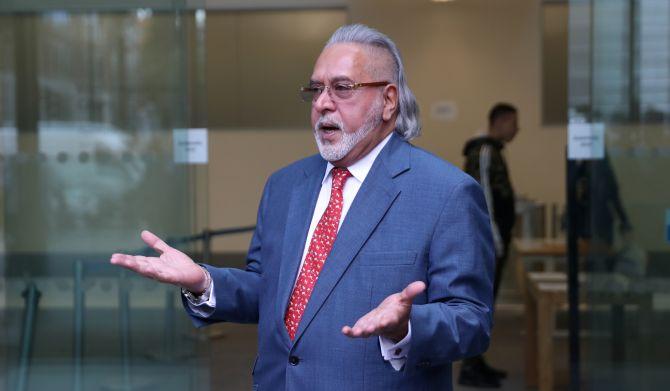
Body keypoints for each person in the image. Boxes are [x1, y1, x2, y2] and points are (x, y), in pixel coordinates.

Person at [111, 24, 494, 390]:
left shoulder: (446, 192)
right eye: (316, 89)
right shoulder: (285, 185)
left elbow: (472, 320)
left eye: (342, 88)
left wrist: (408, 325)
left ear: (388, 100)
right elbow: (270, 291)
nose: (323, 103)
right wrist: (204, 282)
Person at [459, 103, 519, 387]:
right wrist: (493, 240)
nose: (517, 129)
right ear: (501, 121)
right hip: (486, 244)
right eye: (513, 123)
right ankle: (469, 367)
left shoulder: (493, 151)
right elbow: (484, 200)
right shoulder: (483, 152)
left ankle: (477, 360)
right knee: (479, 303)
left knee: (487, 304)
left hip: (494, 242)